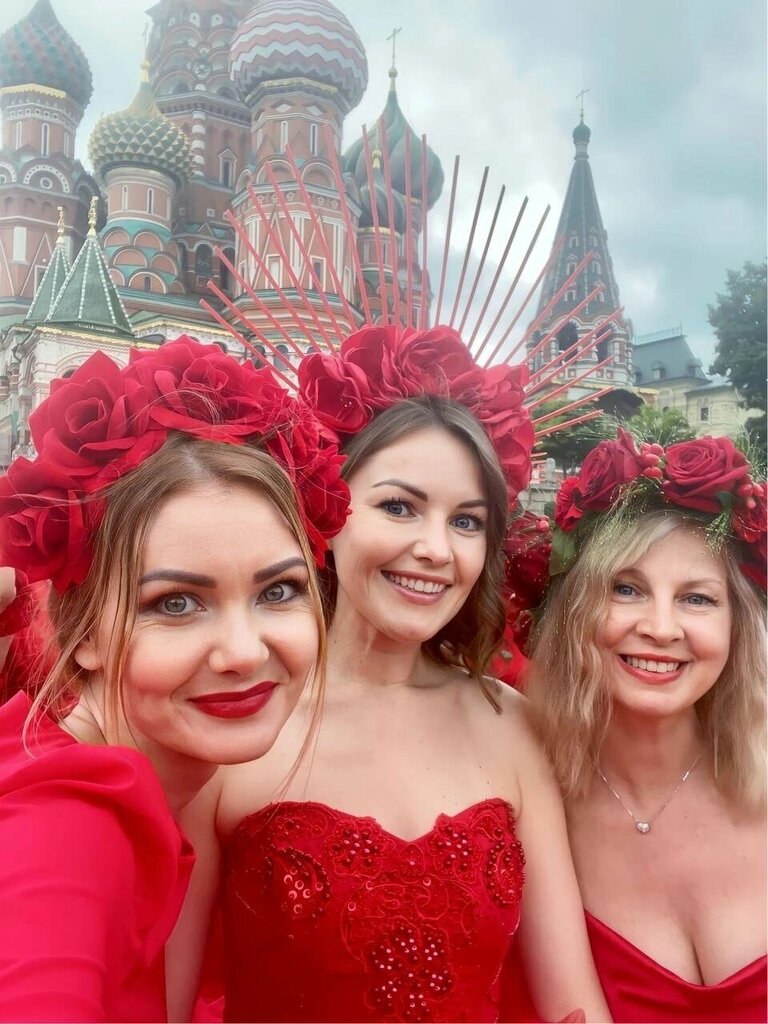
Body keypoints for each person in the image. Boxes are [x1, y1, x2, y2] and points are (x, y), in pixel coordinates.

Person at [180, 324, 609, 1023]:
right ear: (329, 510)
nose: (435, 549)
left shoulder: (511, 724)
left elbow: (571, 1005)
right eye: (399, 507)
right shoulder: (236, 717)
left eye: (467, 522)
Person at [0, 337, 349, 1022]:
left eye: (278, 591)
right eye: (176, 604)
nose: (244, 652)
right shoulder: (66, 832)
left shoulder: (132, 781)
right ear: (86, 633)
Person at [522, 430, 767, 1023]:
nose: (661, 628)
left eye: (697, 599)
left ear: (738, 626)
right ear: (575, 612)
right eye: (626, 589)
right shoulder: (528, 801)